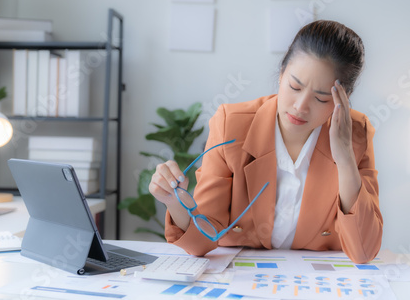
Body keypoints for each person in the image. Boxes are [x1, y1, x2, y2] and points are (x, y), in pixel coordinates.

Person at [149, 20, 382, 264]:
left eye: (322, 98)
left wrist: (344, 158)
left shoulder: (356, 134)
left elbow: (363, 252)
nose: (300, 106)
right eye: (294, 86)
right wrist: (174, 202)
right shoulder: (231, 124)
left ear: (343, 100)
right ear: (281, 74)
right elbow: (203, 240)